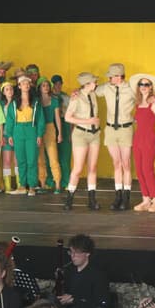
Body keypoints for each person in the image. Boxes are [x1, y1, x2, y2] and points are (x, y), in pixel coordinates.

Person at [96, 63, 136, 211]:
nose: (109, 79)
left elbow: (144, 97)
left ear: (119, 77)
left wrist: (154, 97)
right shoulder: (106, 88)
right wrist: (77, 91)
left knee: (126, 163)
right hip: (111, 129)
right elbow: (91, 89)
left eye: (111, 76)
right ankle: (118, 196)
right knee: (116, 163)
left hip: (125, 129)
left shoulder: (131, 88)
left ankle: (126, 197)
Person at [57, 234, 110, 308]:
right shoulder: (69, 270)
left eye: (77, 253)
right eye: (71, 252)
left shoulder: (98, 275)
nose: (73, 256)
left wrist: (74, 300)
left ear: (87, 253)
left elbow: (101, 306)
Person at [64, 73, 101, 211]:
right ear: (87, 84)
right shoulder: (76, 97)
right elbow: (68, 117)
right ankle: (69, 198)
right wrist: (87, 121)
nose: (96, 84)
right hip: (81, 134)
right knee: (78, 168)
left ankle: (92, 199)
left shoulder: (93, 95)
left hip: (95, 134)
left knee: (92, 167)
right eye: (94, 82)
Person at [6, 74, 45, 196]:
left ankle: (32, 186)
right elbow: (10, 119)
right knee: (21, 160)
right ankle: (22, 186)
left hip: (31, 130)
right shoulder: (14, 103)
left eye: (28, 83)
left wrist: (39, 134)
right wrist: (10, 135)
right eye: (23, 83)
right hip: (18, 131)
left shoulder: (35, 102)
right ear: (19, 86)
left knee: (32, 159)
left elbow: (40, 119)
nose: (26, 85)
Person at [130, 73, 155, 212]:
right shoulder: (138, 104)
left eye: (146, 84)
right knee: (139, 170)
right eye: (141, 84)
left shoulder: (154, 104)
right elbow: (138, 121)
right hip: (138, 139)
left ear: (151, 87)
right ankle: (146, 199)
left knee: (147, 170)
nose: (143, 87)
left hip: (149, 139)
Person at [37, 77, 62, 194]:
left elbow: (57, 117)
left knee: (53, 157)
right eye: (43, 85)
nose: (46, 87)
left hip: (50, 128)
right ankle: (42, 184)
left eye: (47, 85)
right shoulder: (36, 101)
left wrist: (60, 133)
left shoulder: (54, 100)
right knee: (40, 158)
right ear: (39, 88)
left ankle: (57, 184)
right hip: (38, 129)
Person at [49, 74, 71, 189]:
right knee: (51, 155)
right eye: (55, 84)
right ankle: (51, 181)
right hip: (52, 123)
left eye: (59, 84)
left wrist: (71, 132)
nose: (58, 86)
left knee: (65, 155)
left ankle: (66, 181)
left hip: (65, 124)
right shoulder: (49, 97)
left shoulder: (66, 97)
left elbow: (71, 115)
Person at [0, 81, 19, 193]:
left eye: (11, 89)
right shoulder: (1, 105)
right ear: (3, 92)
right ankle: (7, 186)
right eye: (7, 89)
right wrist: (1, 135)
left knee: (18, 160)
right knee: (7, 160)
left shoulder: (18, 103)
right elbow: (0, 122)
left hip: (17, 135)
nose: (9, 91)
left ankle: (20, 184)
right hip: (6, 135)